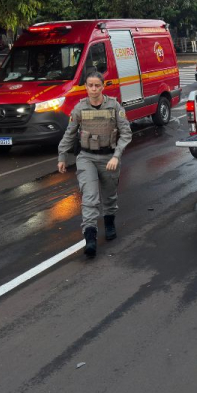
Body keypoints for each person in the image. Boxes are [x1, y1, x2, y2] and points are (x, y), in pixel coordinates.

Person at [58, 71, 133, 257]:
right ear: (86, 87)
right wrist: (62, 156)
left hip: (109, 157)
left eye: (97, 85)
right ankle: (90, 237)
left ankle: (109, 222)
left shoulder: (114, 106)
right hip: (86, 157)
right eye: (90, 85)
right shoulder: (79, 108)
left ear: (102, 87)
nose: (93, 89)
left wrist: (116, 156)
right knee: (90, 197)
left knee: (109, 196)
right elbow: (69, 133)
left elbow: (126, 133)